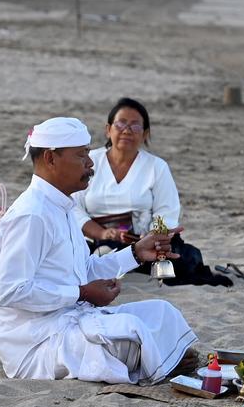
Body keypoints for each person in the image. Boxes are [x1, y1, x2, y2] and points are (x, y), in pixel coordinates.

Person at [0, 117, 199, 384]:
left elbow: (83, 269)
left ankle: (164, 359)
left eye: (88, 154)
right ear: (51, 159)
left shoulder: (61, 207)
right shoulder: (32, 215)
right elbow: (8, 292)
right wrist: (81, 293)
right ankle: (165, 360)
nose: (90, 164)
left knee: (162, 311)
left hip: (71, 321)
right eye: (81, 155)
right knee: (131, 333)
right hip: (35, 342)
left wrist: (135, 253)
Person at [74, 98, 230, 288]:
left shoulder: (157, 167)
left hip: (145, 239)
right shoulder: (90, 162)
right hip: (99, 239)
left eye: (135, 125)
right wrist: (103, 233)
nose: (127, 130)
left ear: (145, 133)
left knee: (183, 259)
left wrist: (151, 236)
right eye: (121, 123)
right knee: (91, 257)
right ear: (108, 129)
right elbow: (74, 207)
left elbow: (166, 210)